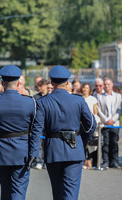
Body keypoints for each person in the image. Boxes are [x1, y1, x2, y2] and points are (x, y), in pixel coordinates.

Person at [31, 65, 96, 200]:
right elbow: (91, 125)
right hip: (74, 149)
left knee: (57, 191)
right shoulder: (78, 100)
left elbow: (37, 129)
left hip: (53, 149)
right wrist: (80, 140)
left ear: (51, 83)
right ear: (67, 82)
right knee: (71, 192)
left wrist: (33, 153)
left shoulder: (42, 102)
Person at [0, 65, 39, 200]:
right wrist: (34, 152)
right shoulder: (29, 102)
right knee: (18, 190)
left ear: (2, 83)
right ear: (18, 83)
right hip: (22, 151)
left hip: (2, 151)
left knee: (5, 189)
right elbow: (35, 128)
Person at [98, 78, 122, 169]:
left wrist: (113, 120)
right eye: (105, 84)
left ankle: (114, 161)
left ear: (112, 85)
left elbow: (120, 110)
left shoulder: (118, 96)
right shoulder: (100, 97)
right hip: (105, 123)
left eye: (108, 84)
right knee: (105, 143)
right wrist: (106, 120)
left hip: (115, 123)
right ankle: (105, 161)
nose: (106, 86)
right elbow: (99, 110)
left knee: (114, 142)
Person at [81, 83, 100, 169]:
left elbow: (95, 111)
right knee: (83, 143)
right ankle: (84, 160)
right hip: (81, 123)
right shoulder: (80, 98)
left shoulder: (93, 99)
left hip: (91, 122)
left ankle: (91, 160)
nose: (85, 89)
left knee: (92, 143)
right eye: (84, 88)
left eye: (87, 88)